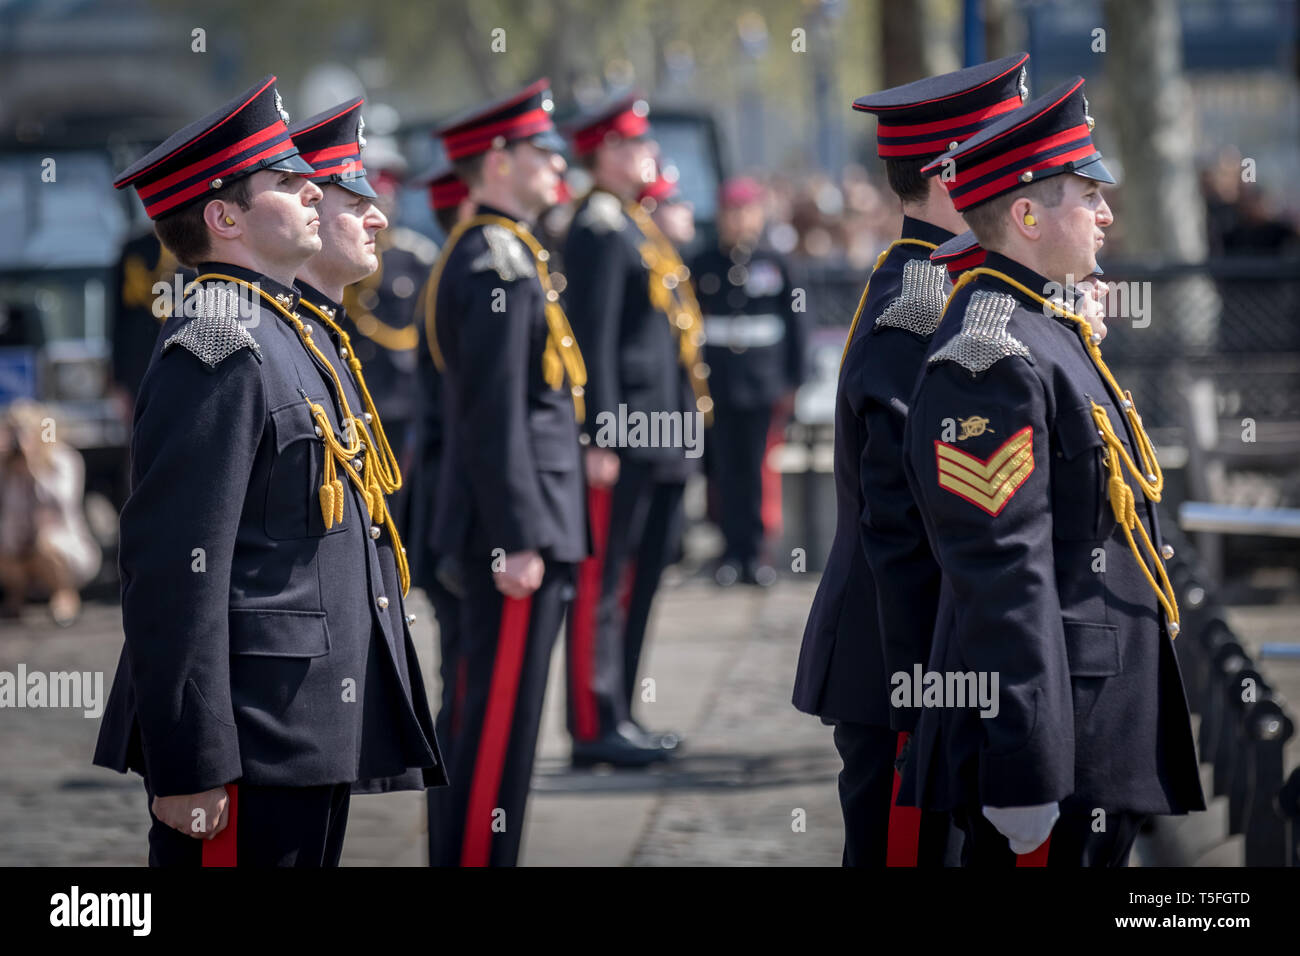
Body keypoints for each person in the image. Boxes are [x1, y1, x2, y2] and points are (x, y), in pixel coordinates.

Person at [92, 76, 445, 868]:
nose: (314, 191)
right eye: (287, 183)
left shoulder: (284, 328)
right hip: (251, 737)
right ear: (224, 217)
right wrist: (193, 759)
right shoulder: (218, 341)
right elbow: (173, 571)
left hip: (305, 729)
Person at [902, 77, 1205, 866]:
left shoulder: (1048, 325)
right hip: (1057, 738)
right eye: (1086, 195)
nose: (1107, 212)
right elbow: (1002, 569)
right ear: (1029, 217)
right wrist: (1024, 760)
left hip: (1101, 721)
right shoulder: (989, 355)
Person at [792, 53, 1032, 867]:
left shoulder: (955, 286)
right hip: (906, 668)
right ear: (950, 171)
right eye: (1005, 144)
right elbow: (899, 517)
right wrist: (922, 688)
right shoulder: (924, 301)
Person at [422, 79, 586, 866]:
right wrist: (520, 537)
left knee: (497, 721)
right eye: (539, 151)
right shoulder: (494, 265)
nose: (557, 164)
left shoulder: (509, 251)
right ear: (495, 162)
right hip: (512, 536)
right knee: (495, 727)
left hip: (524, 524)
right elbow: (494, 419)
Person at [562, 95, 711, 766]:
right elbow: (590, 342)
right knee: (606, 580)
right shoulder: (597, 227)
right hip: (625, 433)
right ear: (605, 154)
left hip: (662, 430)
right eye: (634, 143)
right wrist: (598, 436)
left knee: (642, 577)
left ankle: (621, 709)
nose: (648, 151)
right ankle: (596, 724)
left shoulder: (634, 224)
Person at [691, 176, 806, 587]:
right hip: (716, 386)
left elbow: (796, 327)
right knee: (723, 471)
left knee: (757, 471)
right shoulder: (702, 262)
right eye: (730, 212)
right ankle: (729, 552)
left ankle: (757, 554)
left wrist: (794, 381)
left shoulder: (776, 262)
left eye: (745, 211)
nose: (737, 220)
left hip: (762, 385)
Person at [407, 162, 473, 861]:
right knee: (465, 702)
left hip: (449, 520)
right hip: (458, 525)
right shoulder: (463, 272)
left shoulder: (445, 268)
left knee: (462, 696)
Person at [0, 401, 101, 625]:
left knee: (45, 541)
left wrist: (34, 467)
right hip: (18, 549)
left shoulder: (63, 459)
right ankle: (15, 596)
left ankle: (65, 597)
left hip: (64, 550)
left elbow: (62, 502)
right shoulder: (6, 467)